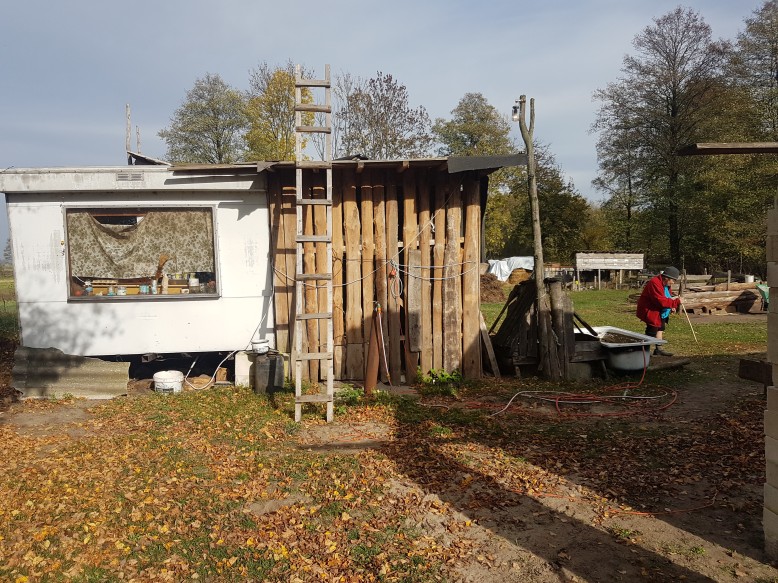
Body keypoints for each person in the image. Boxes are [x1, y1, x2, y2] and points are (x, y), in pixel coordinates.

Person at [636, 266, 683, 356]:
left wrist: (672, 306)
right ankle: (644, 351)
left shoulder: (665, 284)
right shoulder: (655, 283)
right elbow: (660, 300)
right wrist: (676, 302)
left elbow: (667, 296)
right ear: (667, 278)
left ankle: (658, 349)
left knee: (661, 327)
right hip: (650, 309)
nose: (673, 282)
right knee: (652, 330)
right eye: (673, 280)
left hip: (660, 310)